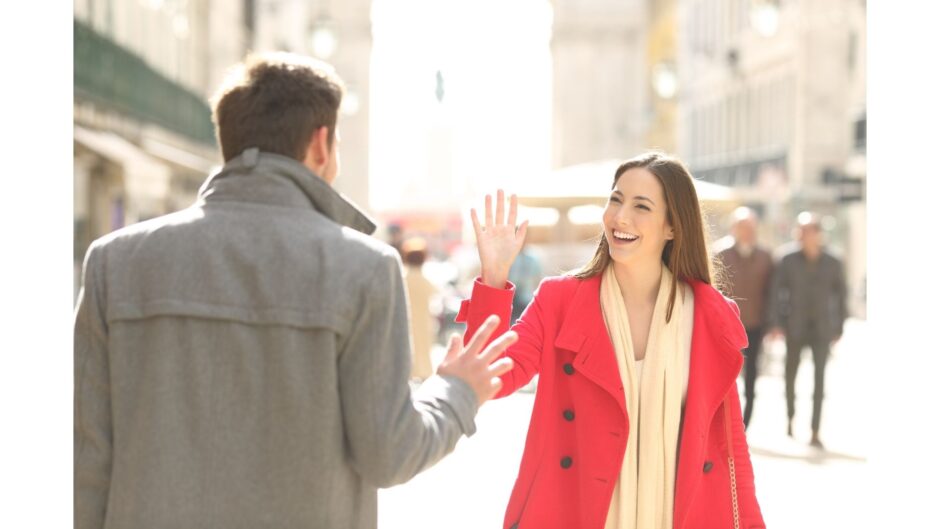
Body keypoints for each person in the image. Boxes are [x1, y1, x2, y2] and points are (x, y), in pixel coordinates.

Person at [73, 52, 518, 529]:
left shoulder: (114, 262)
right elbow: (390, 453)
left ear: (228, 138)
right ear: (321, 145)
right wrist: (456, 392)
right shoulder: (363, 269)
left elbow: (87, 461)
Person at [456, 153, 765, 529]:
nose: (620, 217)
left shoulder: (708, 315)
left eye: (641, 206)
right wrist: (492, 278)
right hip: (575, 511)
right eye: (616, 199)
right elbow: (489, 377)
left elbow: (730, 445)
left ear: (672, 227)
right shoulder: (560, 301)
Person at [768, 212, 847, 449]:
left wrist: (839, 326)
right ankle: (790, 419)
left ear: (819, 234)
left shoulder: (833, 262)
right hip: (794, 327)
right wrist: (777, 323)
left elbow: (841, 296)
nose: (804, 236)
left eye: (809, 231)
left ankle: (815, 430)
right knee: (790, 375)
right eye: (801, 232)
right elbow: (775, 293)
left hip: (823, 329)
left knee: (819, 380)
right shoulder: (786, 258)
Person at [717, 207, 774, 429]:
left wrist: (770, 323)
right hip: (726, 327)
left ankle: (744, 425)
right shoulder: (720, 254)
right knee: (725, 378)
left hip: (755, 325)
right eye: (743, 227)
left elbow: (772, 291)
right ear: (734, 229)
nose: (748, 232)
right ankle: (724, 423)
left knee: (751, 380)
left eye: (751, 227)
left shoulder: (765, 256)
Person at [402, 236, 439, 381]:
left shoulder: (401, 277)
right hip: (424, 322)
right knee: (423, 350)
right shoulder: (426, 281)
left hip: (405, 321)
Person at [507, 240, 544, 324]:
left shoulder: (533, 259)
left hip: (526, 298)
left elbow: (538, 280)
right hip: (511, 299)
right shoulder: (507, 258)